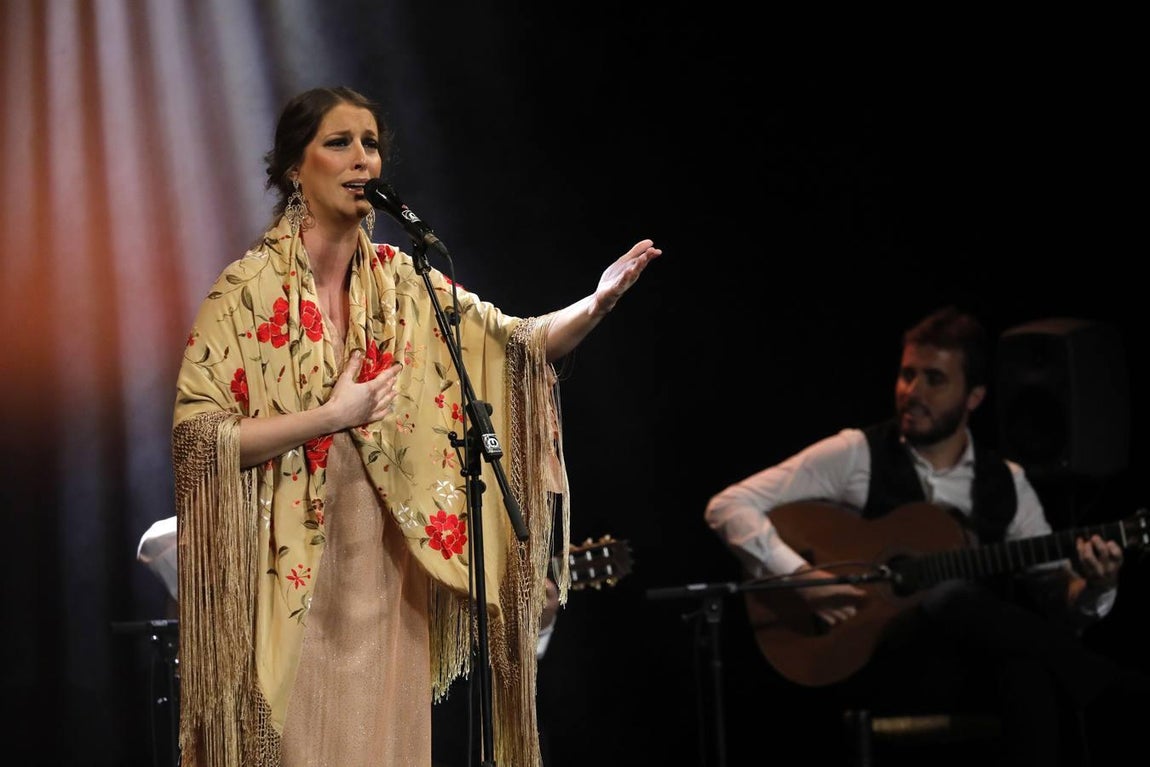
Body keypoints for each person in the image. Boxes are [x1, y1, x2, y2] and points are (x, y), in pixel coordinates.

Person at [172, 85, 660, 767]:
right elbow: (198, 440)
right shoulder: (245, 292)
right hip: (290, 580)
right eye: (339, 142)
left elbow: (512, 344)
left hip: (387, 576)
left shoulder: (407, 285)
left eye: (370, 144)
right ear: (293, 168)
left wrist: (598, 303)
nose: (362, 159)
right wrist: (329, 417)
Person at [704, 306, 1143, 766]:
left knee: (1018, 661)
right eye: (907, 374)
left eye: (934, 379)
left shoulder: (1006, 482)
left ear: (974, 397)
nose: (912, 392)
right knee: (950, 600)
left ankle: (1092, 681)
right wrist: (802, 578)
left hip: (969, 673)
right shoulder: (857, 454)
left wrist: (1098, 584)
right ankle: (1103, 682)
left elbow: (1061, 600)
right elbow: (728, 505)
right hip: (881, 667)